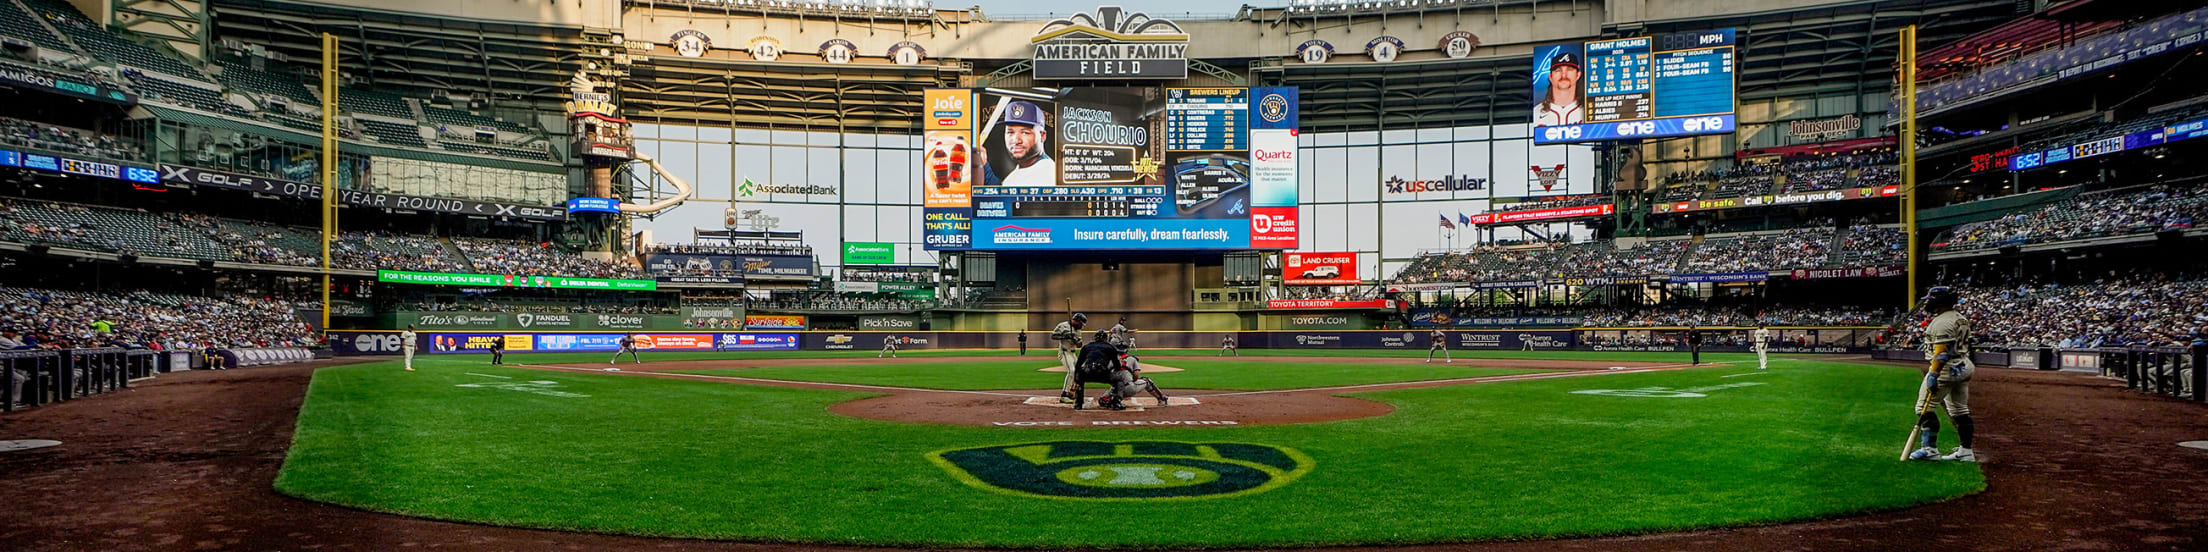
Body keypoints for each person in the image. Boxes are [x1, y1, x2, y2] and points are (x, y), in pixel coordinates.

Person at [1909, 286, 1978, 463]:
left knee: (1923, 407)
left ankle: (1930, 449)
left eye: (1931, 299)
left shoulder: (1941, 322)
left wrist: (1933, 374)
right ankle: (1966, 451)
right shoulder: (1959, 318)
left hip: (1946, 368)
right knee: (1959, 409)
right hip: (1963, 365)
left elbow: (1941, 353)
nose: (1928, 302)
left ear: (1939, 302)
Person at [1069, 330, 1163, 411]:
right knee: (1119, 380)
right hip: (1102, 373)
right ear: (1106, 339)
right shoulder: (1110, 348)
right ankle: (1117, 403)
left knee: (1080, 377)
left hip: (1087, 373)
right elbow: (1117, 365)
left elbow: (1078, 364)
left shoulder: (1086, 347)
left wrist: (1076, 380)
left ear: (1095, 338)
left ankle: (1078, 403)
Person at [979, 101, 1056, 187]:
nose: (1016, 140)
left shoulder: (1045, 174)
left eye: (1025, 133)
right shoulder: (1026, 168)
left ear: (1042, 136)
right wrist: (983, 165)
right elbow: (1003, 191)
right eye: (1010, 132)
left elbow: (1003, 198)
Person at [1533, 51, 1583, 127]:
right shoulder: (1536, 112)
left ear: (1578, 75)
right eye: (1558, 70)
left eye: (1569, 69)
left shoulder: (1588, 110)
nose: (1563, 75)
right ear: (1550, 77)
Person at [1052, 312, 1089, 404]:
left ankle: (1071, 393)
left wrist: (1075, 340)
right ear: (1076, 321)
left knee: (1079, 371)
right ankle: (1064, 395)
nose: (1081, 326)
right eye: (1080, 324)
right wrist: (1066, 336)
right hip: (1064, 352)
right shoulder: (1063, 326)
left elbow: (1080, 345)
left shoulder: (1078, 331)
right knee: (1071, 371)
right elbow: (1053, 336)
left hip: (1073, 353)